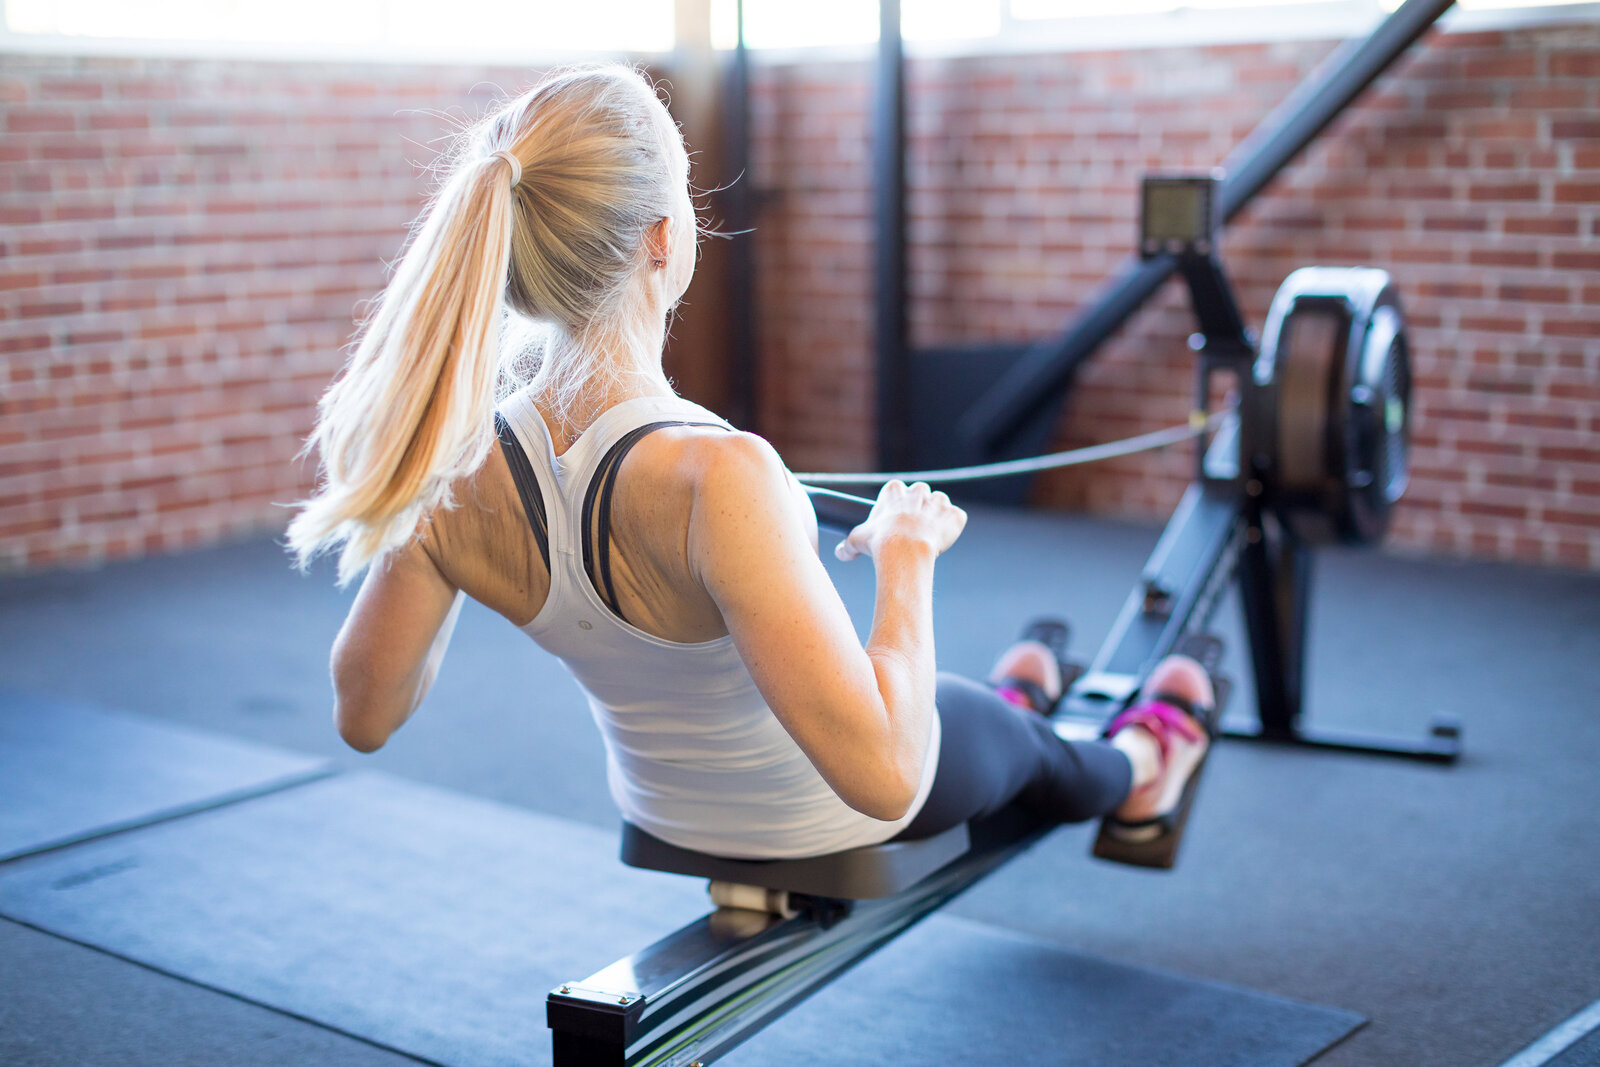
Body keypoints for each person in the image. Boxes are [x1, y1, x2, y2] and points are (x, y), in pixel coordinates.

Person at [287, 65, 1213, 864]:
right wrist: (906, 557)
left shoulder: (453, 476)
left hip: (666, 814)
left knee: (992, 718)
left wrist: (454, 529)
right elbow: (886, 776)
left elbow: (364, 715)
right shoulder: (720, 476)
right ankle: (1144, 764)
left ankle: (1027, 700)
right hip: (825, 819)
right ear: (661, 237)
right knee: (1016, 744)